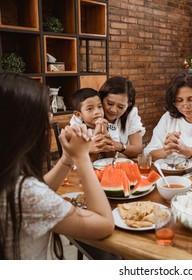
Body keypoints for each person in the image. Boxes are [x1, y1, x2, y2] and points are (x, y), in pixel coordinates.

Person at [0, 72, 114, 259]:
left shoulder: (12, 179)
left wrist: (67, 158)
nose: (50, 115)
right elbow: (104, 224)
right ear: (19, 125)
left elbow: (40, 189)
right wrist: (82, 158)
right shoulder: (23, 194)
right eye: (42, 110)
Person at [96, 76, 145, 158]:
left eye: (120, 107)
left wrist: (118, 146)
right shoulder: (90, 112)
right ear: (102, 98)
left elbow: (138, 150)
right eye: (110, 103)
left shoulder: (131, 115)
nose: (114, 110)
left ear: (128, 105)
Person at [70, 87, 120, 161]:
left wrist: (105, 133)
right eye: (90, 109)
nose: (97, 112)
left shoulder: (112, 128)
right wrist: (97, 133)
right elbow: (88, 162)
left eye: (99, 107)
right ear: (78, 114)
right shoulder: (78, 132)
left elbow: (111, 158)